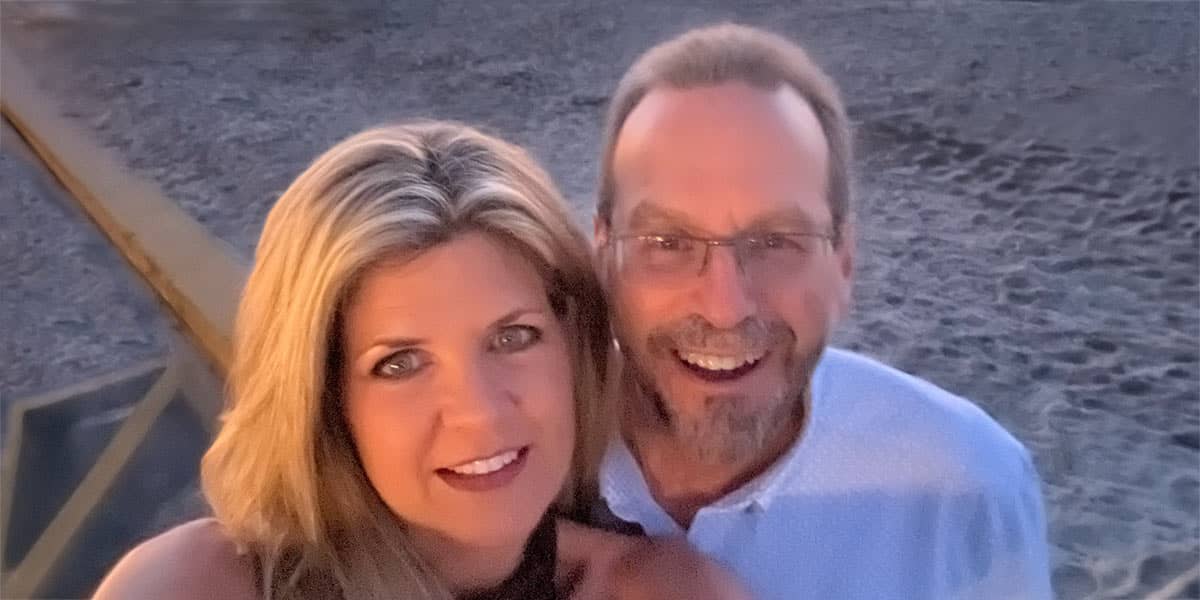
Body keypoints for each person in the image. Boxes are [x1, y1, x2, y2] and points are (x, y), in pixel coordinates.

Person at [94, 122, 749, 600]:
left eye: (514, 338)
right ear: (323, 398)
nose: (478, 411)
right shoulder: (194, 587)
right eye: (400, 363)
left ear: (573, 346)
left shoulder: (667, 590)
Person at [591, 23, 1054, 599]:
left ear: (845, 264)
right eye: (667, 244)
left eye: (777, 242)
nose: (725, 308)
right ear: (603, 254)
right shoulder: (507, 460)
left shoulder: (965, 486)